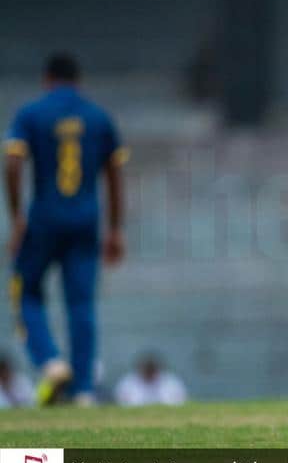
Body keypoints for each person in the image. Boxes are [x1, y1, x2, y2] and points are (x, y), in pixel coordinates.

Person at [4, 53, 127, 406]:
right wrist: (115, 229)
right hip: (86, 220)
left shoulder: (31, 113)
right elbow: (115, 175)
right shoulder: (98, 117)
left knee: (25, 291)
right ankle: (83, 389)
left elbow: (12, 163)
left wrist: (17, 217)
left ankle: (50, 360)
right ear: (79, 80)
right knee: (81, 304)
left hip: (44, 217)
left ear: (47, 79)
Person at [114, 353, 187, 406]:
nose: (149, 373)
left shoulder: (171, 382)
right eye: (147, 370)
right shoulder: (128, 383)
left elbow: (180, 401)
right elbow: (121, 402)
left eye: (152, 370)